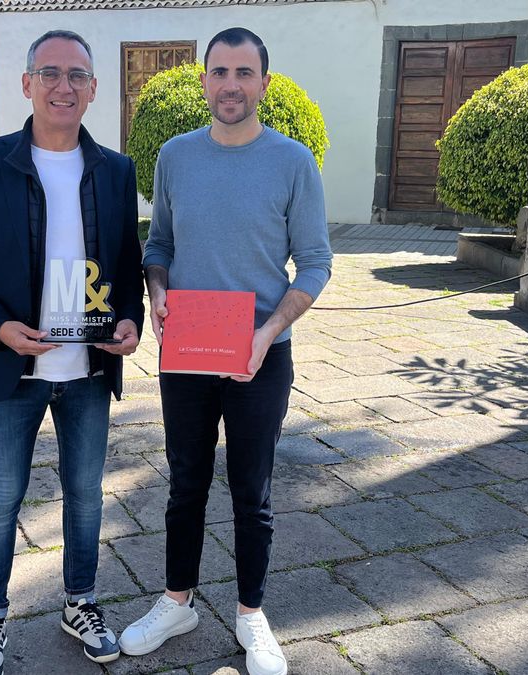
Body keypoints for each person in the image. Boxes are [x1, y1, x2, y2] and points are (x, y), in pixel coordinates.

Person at [118, 27, 332, 675]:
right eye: (219, 72)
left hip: (261, 355)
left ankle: (250, 614)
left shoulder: (293, 161)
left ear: (264, 83)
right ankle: (177, 600)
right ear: (204, 80)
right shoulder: (176, 157)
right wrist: (157, 292)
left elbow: (316, 265)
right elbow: (160, 248)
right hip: (186, 352)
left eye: (244, 72)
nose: (231, 84)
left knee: (251, 490)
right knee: (184, 482)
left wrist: (268, 333)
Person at [0, 29, 145, 675]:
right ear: (27, 83)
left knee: (86, 495)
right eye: (50, 73)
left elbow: (128, 266)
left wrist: (131, 320)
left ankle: (79, 602)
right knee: (1, 498)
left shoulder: (115, 170)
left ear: (93, 89)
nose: (64, 86)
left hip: (87, 370)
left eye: (77, 75)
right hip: (12, 371)